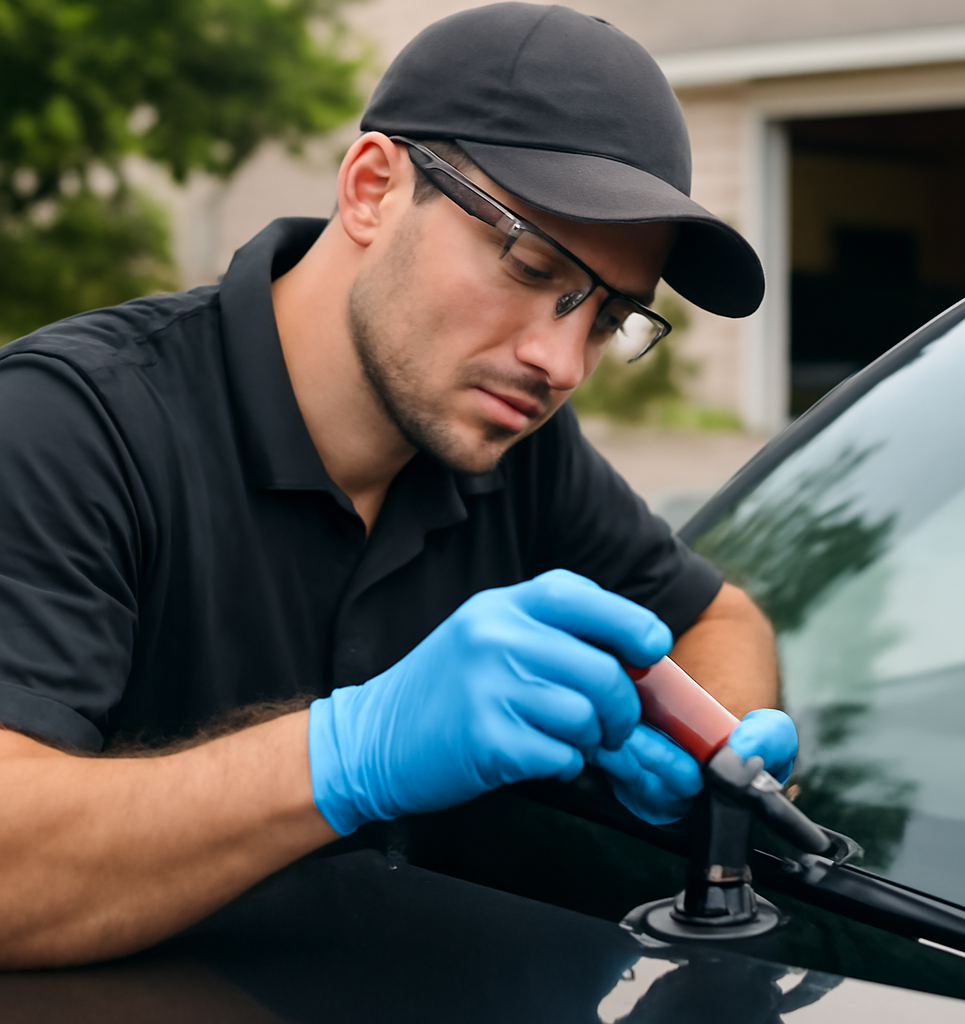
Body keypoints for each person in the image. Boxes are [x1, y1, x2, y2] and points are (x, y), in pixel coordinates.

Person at [0, 3, 795, 968]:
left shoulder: (513, 442)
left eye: (606, 317)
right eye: (533, 263)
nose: (560, 363)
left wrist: (708, 746)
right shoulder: (67, 428)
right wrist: (350, 754)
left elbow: (721, 620)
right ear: (373, 188)